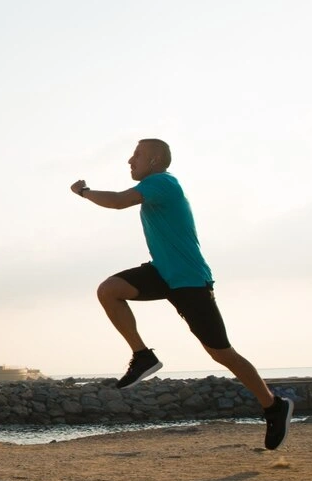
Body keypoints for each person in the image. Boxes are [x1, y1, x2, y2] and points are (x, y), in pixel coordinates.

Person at [71, 138, 293, 449]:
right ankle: (143, 356)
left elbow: (119, 201)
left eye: (137, 155)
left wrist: (84, 192)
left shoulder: (162, 182)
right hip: (162, 272)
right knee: (109, 290)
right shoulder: (154, 187)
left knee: (221, 353)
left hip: (189, 280)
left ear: (155, 159)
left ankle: (273, 406)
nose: (129, 160)